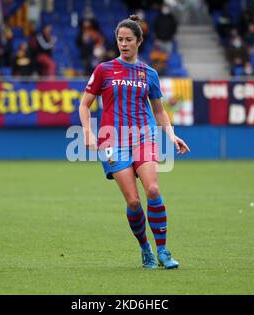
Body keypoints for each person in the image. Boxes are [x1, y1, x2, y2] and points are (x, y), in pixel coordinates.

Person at [79, 15, 190, 269]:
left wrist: (171, 135)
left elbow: (160, 111)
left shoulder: (149, 73)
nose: (124, 44)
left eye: (129, 39)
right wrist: (87, 131)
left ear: (139, 41)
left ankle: (163, 250)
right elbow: (85, 105)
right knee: (133, 201)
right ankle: (145, 249)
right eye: (120, 39)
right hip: (112, 140)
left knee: (152, 190)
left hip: (144, 135)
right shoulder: (103, 70)